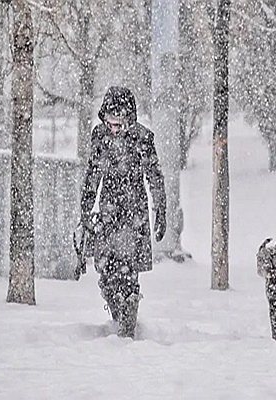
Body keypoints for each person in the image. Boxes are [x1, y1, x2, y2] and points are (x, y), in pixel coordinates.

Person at [80, 86, 167, 338]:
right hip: (108, 214)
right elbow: (92, 174)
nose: (114, 128)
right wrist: (85, 210)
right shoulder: (100, 137)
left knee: (129, 276)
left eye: (119, 124)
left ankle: (127, 331)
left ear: (129, 119)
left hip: (134, 213)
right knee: (107, 273)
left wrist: (160, 209)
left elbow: (154, 176)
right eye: (110, 123)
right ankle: (117, 315)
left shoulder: (142, 139)